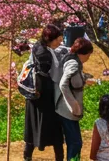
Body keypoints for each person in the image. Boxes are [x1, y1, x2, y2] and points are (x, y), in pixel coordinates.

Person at [24, 24, 67, 161]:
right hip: (45, 96)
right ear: (50, 39)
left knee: (33, 127)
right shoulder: (45, 55)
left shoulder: (38, 46)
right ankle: (59, 158)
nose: (60, 42)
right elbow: (53, 75)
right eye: (58, 40)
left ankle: (27, 156)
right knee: (55, 130)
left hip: (36, 95)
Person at [56, 38, 93, 161]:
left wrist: (85, 79)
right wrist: (73, 104)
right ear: (83, 53)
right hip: (67, 110)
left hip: (64, 109)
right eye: (88, 54)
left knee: (74, 142)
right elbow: (63, 84)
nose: (89, 58)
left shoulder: (71, 58)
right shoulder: (73, 63)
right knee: (75, 143)